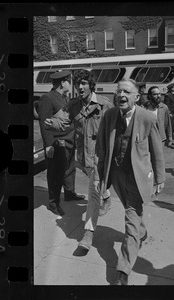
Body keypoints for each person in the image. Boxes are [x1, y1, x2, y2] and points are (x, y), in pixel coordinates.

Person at [94, 79, 166, 285]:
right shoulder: (108, 116)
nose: (121, 95)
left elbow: (156, 150)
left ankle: (123, 270)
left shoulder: (147, 118)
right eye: (118, 91)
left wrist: (160, 177)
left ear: (136, 96)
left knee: (131, 221)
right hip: (116, 174)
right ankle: (142, 232)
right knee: (131, 212)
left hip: (137, 177)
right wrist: (100, 176)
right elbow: (101, 148)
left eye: (126, 91)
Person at [44, 69, 113, 250]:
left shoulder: (105, 105)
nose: (80, 86)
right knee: (97, 185)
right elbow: (64, 121)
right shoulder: (74, 105)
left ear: (91, 85)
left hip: (101, 157)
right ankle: (108, 197)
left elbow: (117, 129)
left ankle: (88, 234)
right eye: (78, 83)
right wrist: (53, 123)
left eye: (84, 83)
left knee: (93, 194)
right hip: (84, 158)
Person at [38, 70, 85, 216]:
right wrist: (49, 145)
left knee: (70, 169)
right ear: (62, 83)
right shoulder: (47, 98)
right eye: (68, 81)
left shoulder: (64, 98)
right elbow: (44, 123)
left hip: (69, 140)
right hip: (58, 143)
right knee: (56, 173)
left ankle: (70, 193)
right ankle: (54, 203)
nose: (70, 84)